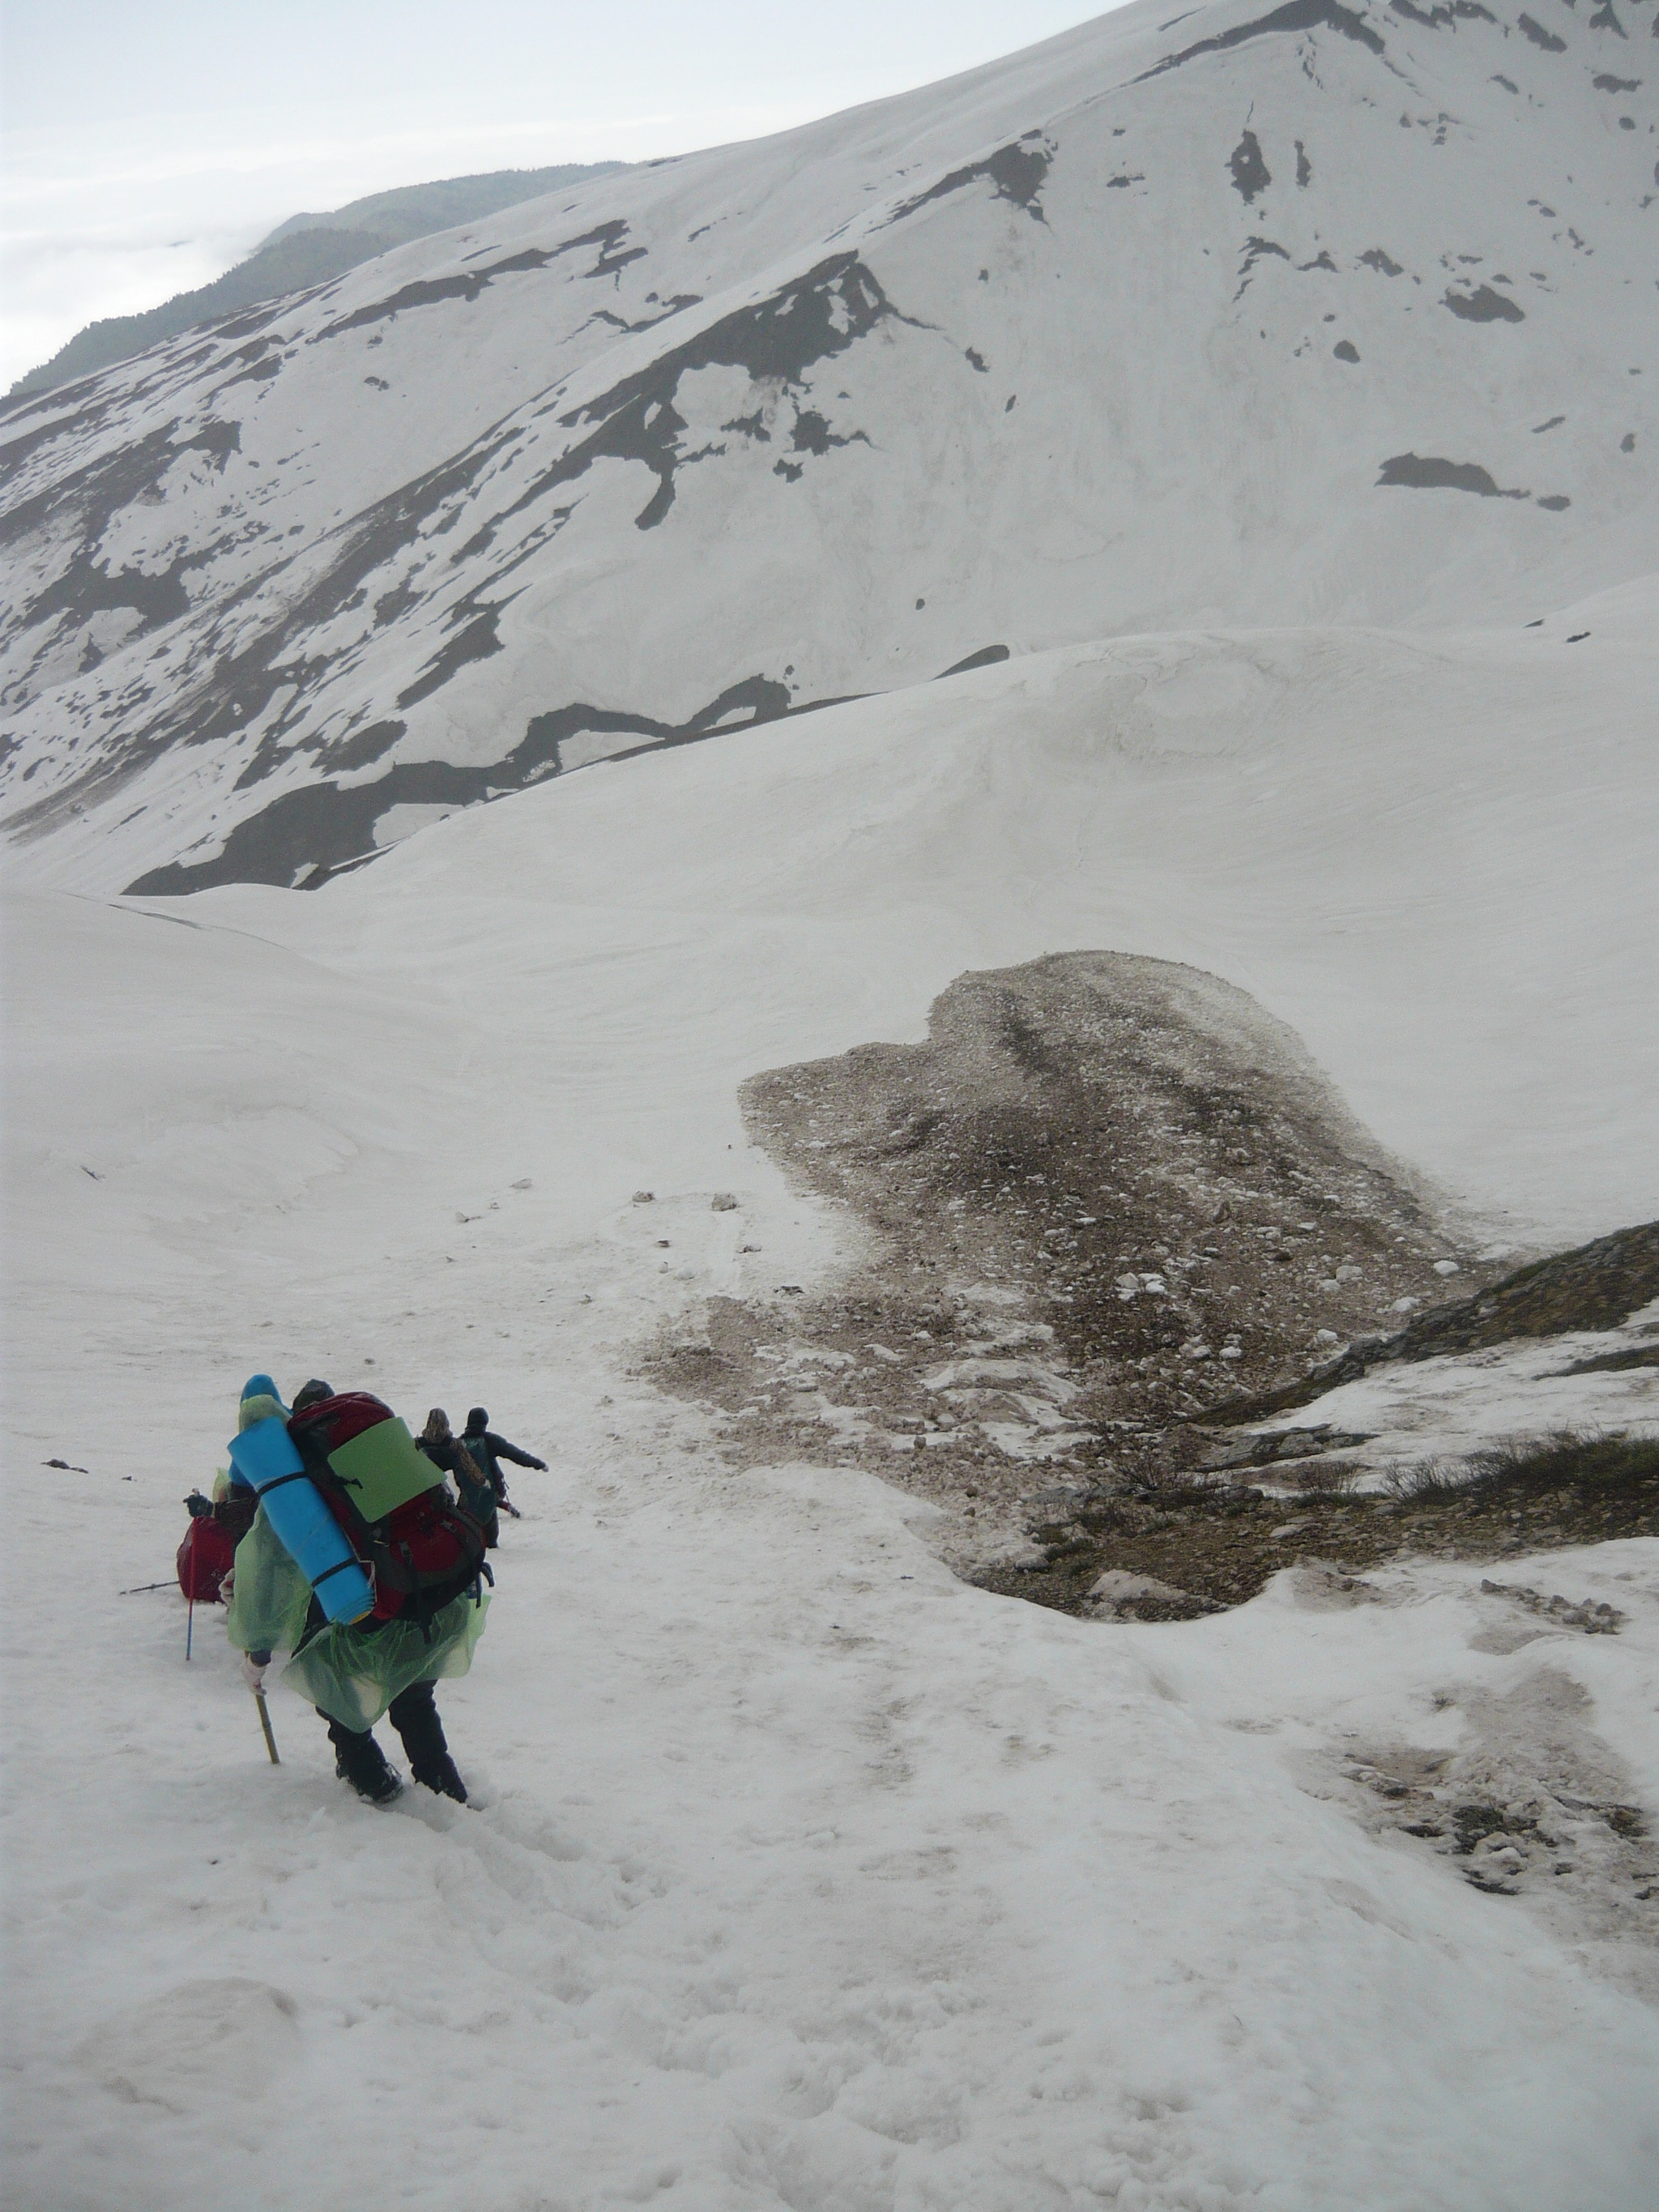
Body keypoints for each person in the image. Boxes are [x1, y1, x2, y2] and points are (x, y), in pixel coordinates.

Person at [227, 1377, 488, 1807]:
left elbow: (268, 1577)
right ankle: (443, 1788)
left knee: (332, 1690)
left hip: (371, 1611)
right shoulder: (375, 1452)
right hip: (429, 1591)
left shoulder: (291, 1487)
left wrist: (257, 1654)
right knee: (415, 1701)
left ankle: (375, 1784)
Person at [418, 1407, 498, 1549]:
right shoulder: (454, 1444)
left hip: (425, 1489)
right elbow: (469, 1466)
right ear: (446, 1423)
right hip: (449, 1491)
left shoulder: (417, 1444)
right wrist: (481, 1481)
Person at [459, 1407, 547, 1520]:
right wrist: (539, 1464)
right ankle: (506, 1508)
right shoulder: (490, 1440)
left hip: (467, 1490)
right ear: (485, 1422)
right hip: (491, 1489)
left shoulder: (458, 1443)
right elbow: (516, 1455)